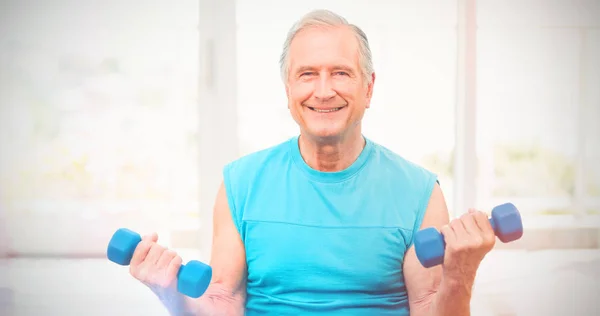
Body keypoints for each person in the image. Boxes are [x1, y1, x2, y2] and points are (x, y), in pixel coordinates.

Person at [128, 9, 497, 316]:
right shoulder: (241, 183)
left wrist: (458, 278)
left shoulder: (420, 192)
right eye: (307, 74)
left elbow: (428, 306)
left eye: (340, 72)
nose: (323, 91)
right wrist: (171, 295)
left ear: (368, 88)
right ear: (288, 90)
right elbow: (223, 301)